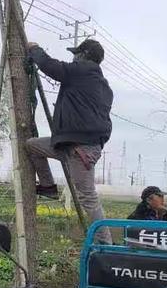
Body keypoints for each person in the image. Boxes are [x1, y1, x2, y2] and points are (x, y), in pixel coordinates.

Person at [26, 39, 113, 244]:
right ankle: (47, 186)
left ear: (84, 55)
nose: (73, 57)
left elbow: (50, 66)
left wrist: (34, 49)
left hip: (81, 149)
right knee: (32, 145)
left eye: (76, 54)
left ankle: (106, 244)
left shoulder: (82, 72)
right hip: (70, 145)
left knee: (87, 197)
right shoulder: (102, 86)